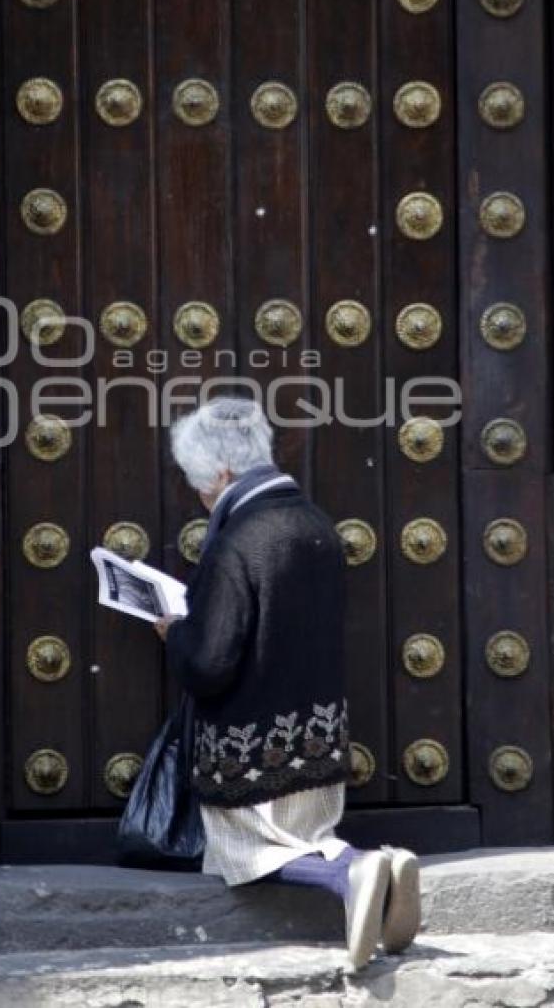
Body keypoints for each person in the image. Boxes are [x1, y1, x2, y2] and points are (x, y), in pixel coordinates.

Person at [154, 396, 420, 971]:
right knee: (305, 835)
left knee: (246, 852)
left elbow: (208, 664)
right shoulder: (312, 523)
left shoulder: (238, 541)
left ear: (223, 475)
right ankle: (381, 871)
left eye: (201, 485)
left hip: (250, 752)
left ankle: (350, 872)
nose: (202, 497)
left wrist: (174, 632)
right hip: (317, 744)